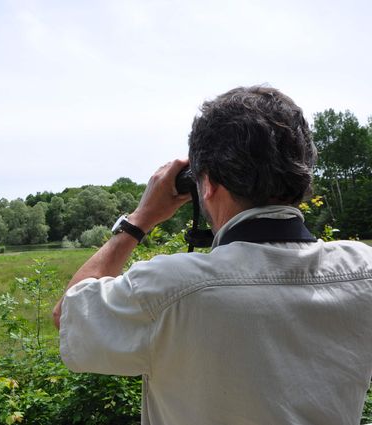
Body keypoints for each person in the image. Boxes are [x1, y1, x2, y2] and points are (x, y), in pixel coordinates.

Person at [53, 86, 372, 425]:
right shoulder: (363, 271)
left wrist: (139, 220)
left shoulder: (168, 290)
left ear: (205, 185)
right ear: (302, 172)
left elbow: (68, 314)